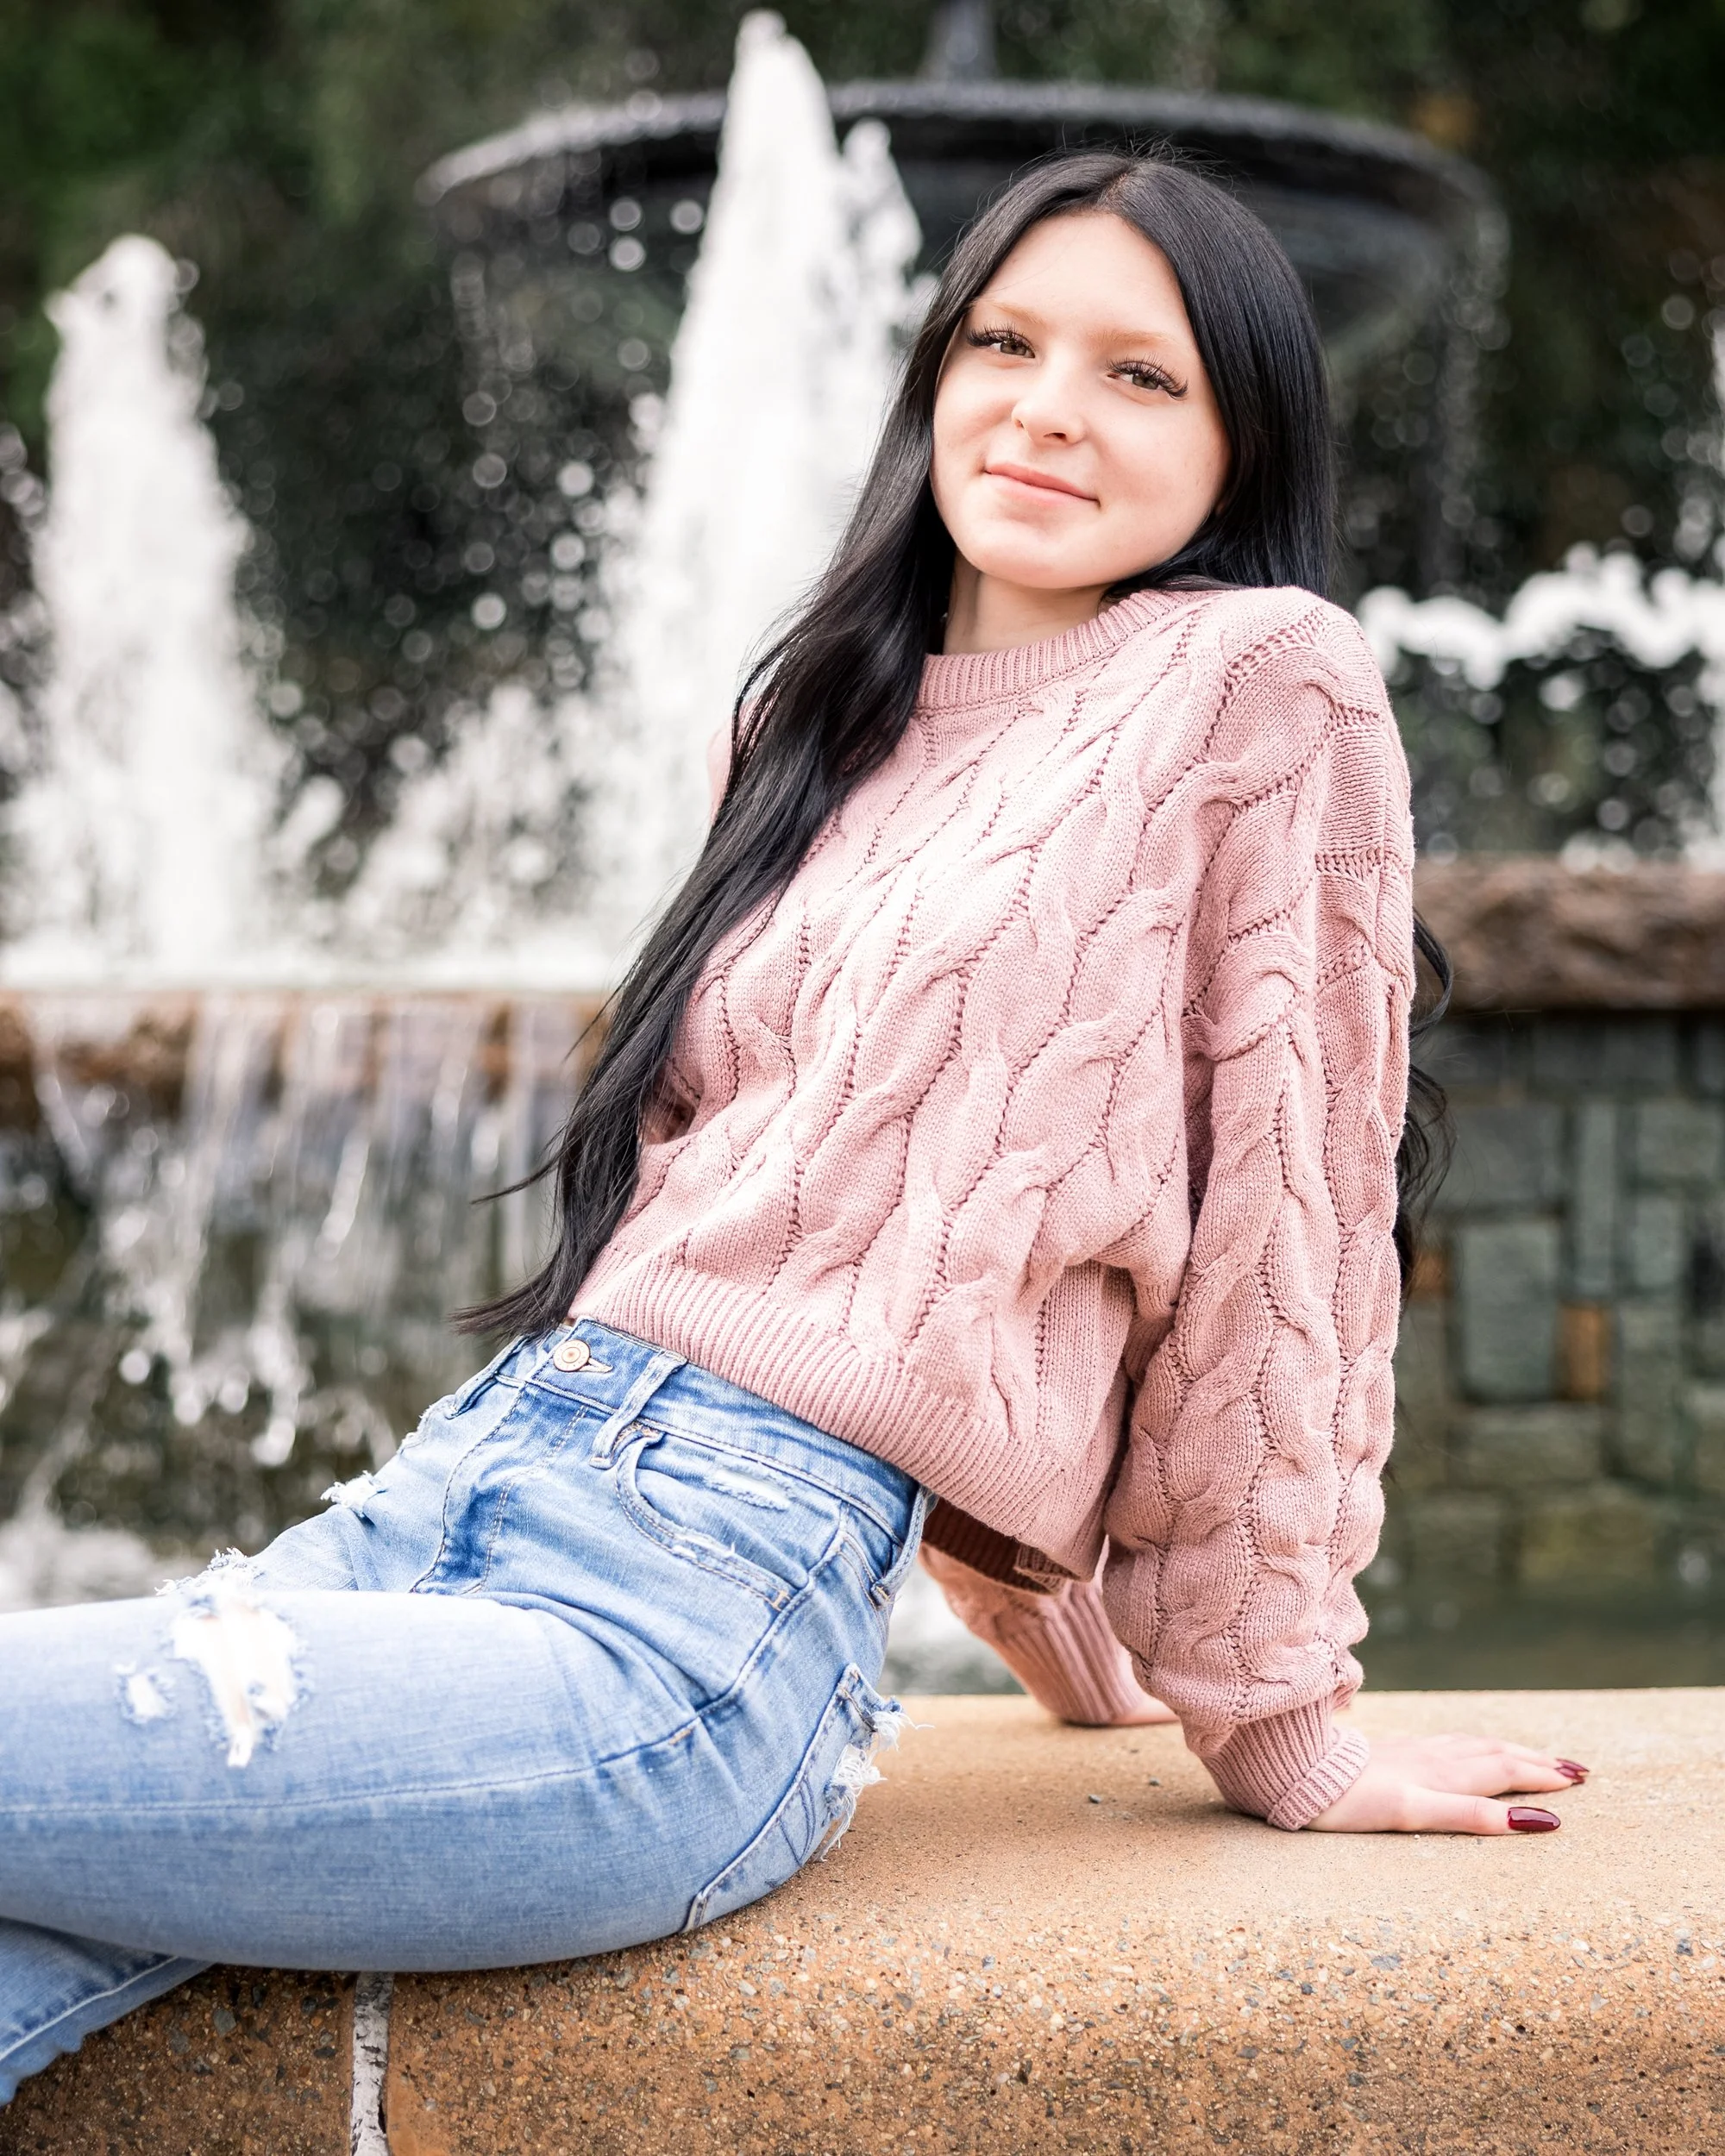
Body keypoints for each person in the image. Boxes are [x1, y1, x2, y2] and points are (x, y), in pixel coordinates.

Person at [0, 150, 1587, 2103]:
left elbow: (1282, 1210)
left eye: (1137, 374)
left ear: (1239, 436)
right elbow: (877, 1218)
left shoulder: (1259, 681)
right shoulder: (809, 724)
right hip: (456, 1496)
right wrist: (1066, 1637)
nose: (1045, 407)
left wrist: (1275, 1722)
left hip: (682, 1628)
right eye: (1002, 343)